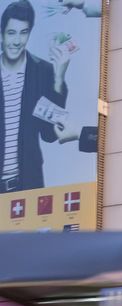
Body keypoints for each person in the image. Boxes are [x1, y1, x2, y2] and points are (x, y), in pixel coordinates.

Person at [0, 0, 71, 192]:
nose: (16, 41)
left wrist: (58, 79)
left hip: (28, 187)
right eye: (11, 33)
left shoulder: (42, 72)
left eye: (23, 33)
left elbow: (49, 134)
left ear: (29, 33)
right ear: (1, 35)